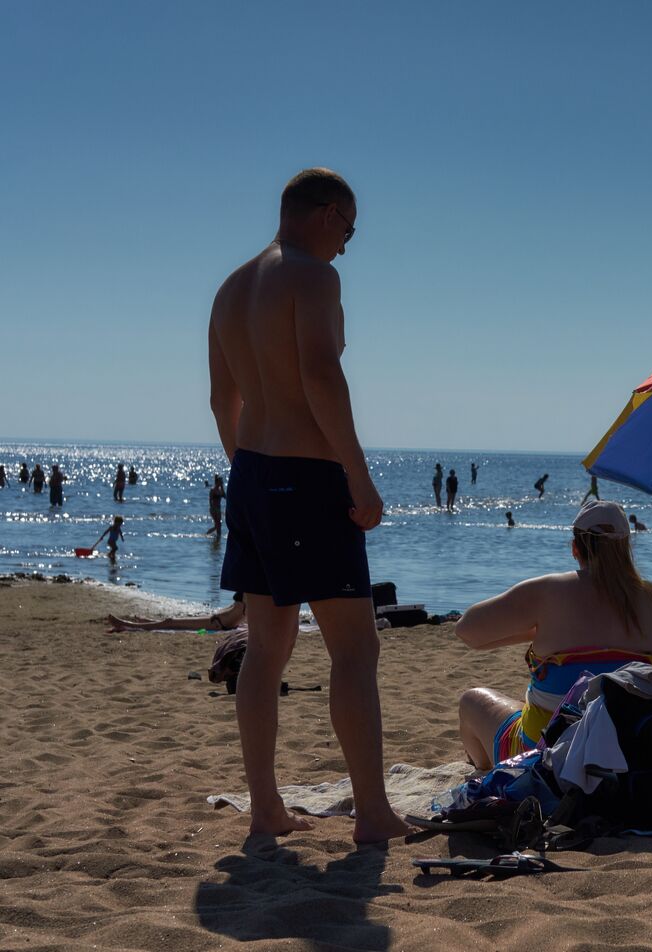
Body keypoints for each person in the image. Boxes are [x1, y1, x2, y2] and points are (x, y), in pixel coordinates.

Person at [206, 167, 408, 842]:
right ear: (325, 216)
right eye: (348, 230)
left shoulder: (231, 288)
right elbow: (322, 372)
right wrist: (358, 475)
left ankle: (266, 810)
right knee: (356, 647)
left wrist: (251, 477)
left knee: (267, 647)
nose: (347, 246)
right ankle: (373, 815)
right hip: (306, 475)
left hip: (254, 473)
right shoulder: (313, 277)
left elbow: (221, 401)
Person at [455, 500, 652, 767]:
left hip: (546, 757)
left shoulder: (547, 591)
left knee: (472, 700)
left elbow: (467, 632)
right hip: (634, 752)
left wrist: (540, 629)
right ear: (626, 547)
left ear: (575, 548)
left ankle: (482, 775)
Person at [108, 593, 246, 632]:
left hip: (218, 624)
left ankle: (128, 625)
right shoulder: (249, 590)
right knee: (171, 621)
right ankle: (148, 622)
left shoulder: (252, 594)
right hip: (217, 619)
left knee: (171, 622)